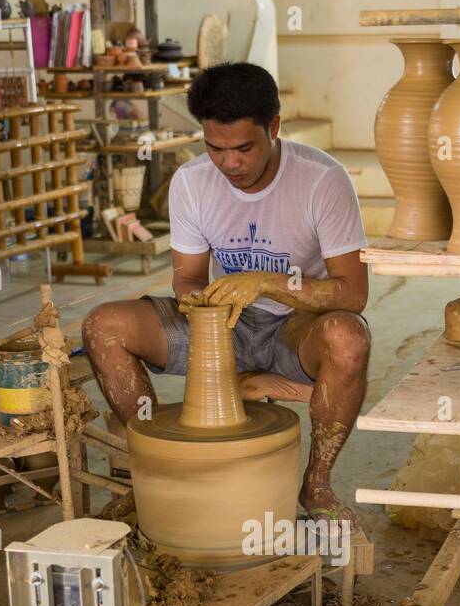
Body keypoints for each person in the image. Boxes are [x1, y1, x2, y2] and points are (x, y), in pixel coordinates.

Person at [83, 61, 370, 525]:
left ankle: (316, 485)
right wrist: (196, 302)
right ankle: (158, 468)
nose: (230, 164)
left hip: (296, 328)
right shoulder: (192, 182)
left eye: (243, 148)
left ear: (273, 127)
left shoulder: (323, 180)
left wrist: (266, 282)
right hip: (224, 324)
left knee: (349, 337)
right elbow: (188, 277)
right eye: (215, 148)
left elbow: (353, 293)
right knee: (104, 326)